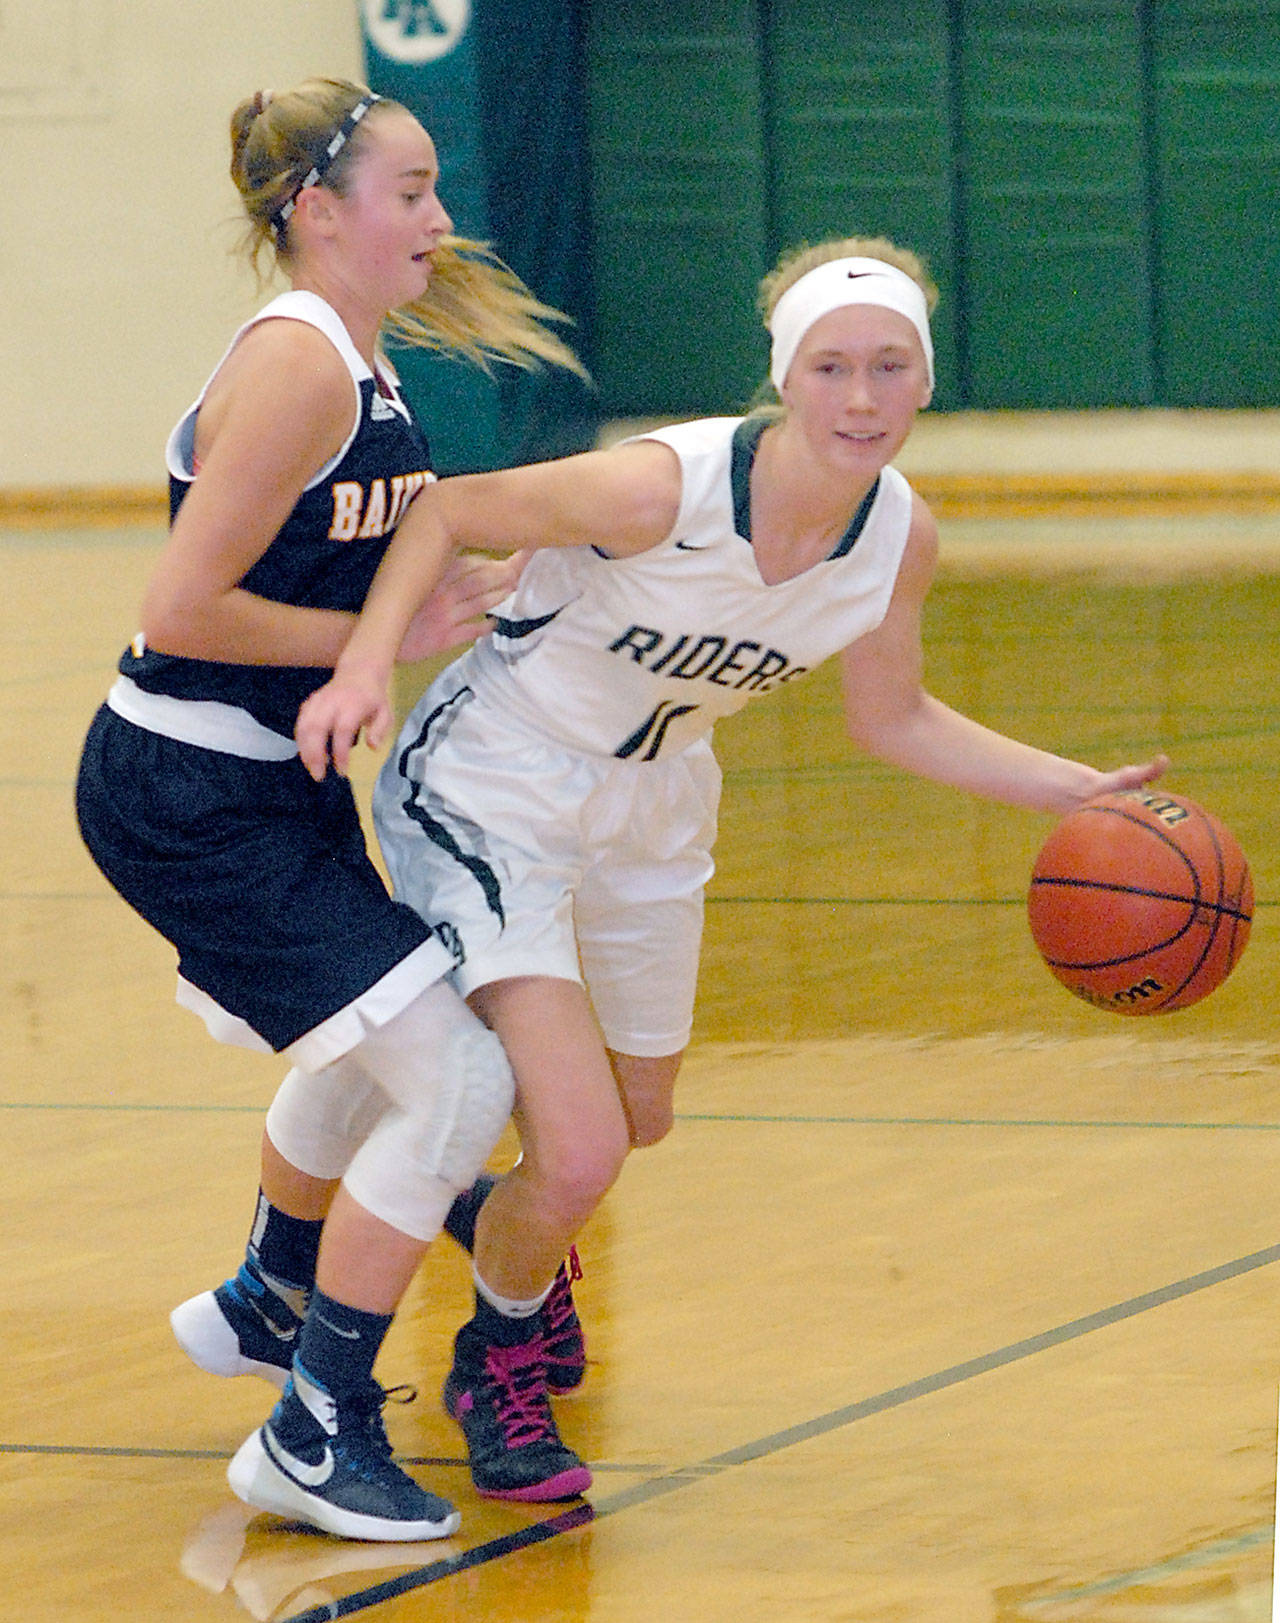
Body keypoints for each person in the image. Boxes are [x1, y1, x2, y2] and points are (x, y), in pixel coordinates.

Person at [291, 232, 1170, 1504]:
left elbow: (894, 719)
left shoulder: (896, 539)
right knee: (582, 1149)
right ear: (784, 377)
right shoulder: (664, 487)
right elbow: (450, 508)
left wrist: (1072, 789)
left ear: (924, 382)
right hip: (501, 786)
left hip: (654, 808)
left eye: (888, 367)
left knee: (633, 1123)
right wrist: (370, 662)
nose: (859, 398)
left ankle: (507, 1230)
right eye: (830, 368)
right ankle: (496, 1352)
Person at [74, 76, 586, 1541]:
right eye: (411, 190)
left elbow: (327, 568)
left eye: (434, 188)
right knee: (463, 1082)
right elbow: (180, 608)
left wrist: (435, 592)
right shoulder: (300, 364)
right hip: (185, 788)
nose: (437, 215)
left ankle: (266, 1293)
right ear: (319, 208)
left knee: (382, 1049)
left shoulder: (360, 356)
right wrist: (389, 639)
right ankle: (316, 1424)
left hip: (265, 786)